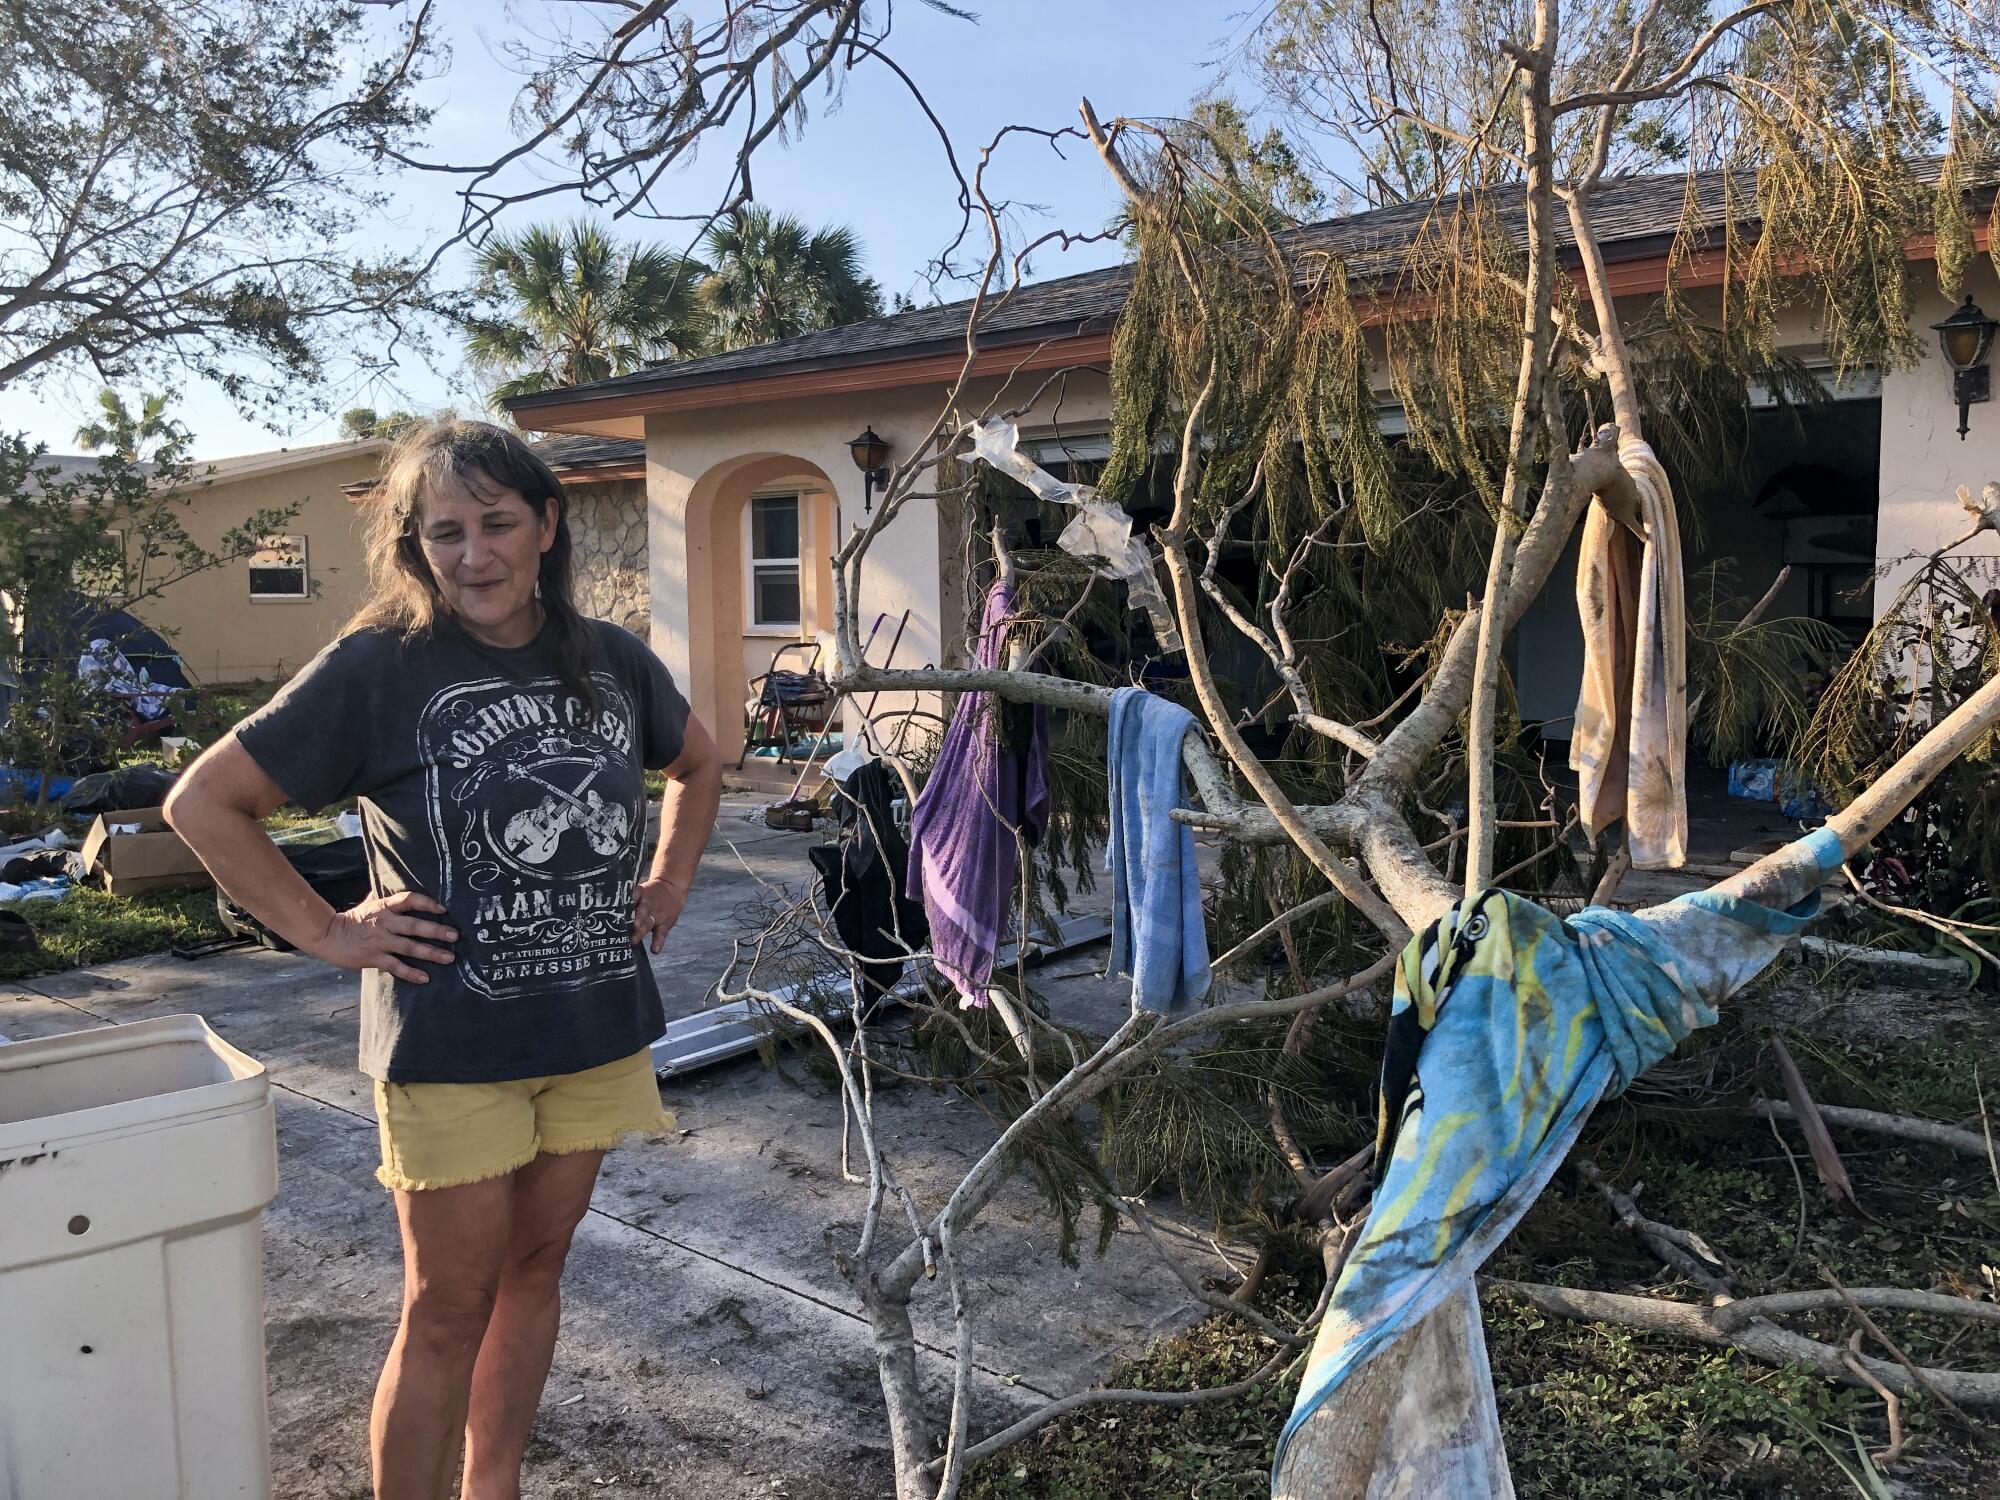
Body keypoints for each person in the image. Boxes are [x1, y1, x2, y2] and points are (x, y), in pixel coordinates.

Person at [166, 419, 722, 1500]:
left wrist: (668, 883)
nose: (474, 556)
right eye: (445, 533)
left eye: (497, 524)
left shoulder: (611, 660)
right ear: (416, 546)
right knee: (445, 1307)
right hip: (450, 1044)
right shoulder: (381, 665)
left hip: (594, 1030)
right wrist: (327, 930)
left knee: (535, 1272)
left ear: (547, 524)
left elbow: (699, 766)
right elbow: (206, 803)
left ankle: (493, 1486)